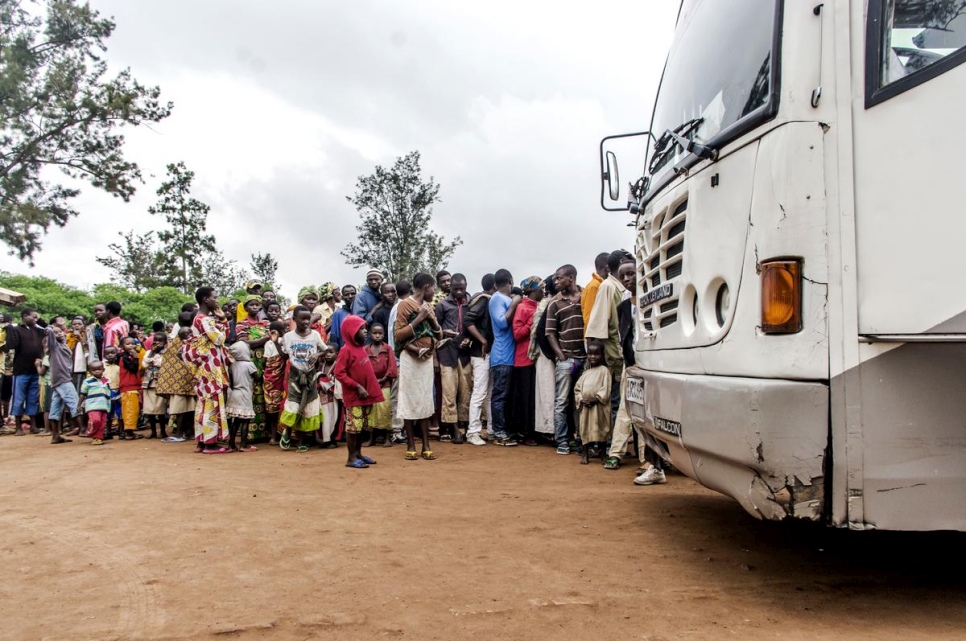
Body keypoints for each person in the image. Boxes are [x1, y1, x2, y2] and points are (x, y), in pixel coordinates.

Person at [393, 272, 441, 460]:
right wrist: (420, 318)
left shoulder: (428, 306)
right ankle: (411, 444)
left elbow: (438, 335)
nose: (434, 291)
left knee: (425, 399)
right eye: (433, 288)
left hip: (426, 358)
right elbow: (398, 336)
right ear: (426, 287)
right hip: (409, 359)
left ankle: (426, 445)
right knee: (409, 399)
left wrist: (431, 319)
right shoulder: (405, 305)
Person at [544, 264, 586, 455]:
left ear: (571, 278)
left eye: (559, 278)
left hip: (585, 358)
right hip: (566, 359)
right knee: (562, 401)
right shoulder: (554, 303)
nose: (556, 281)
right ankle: (562, 440)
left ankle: (581, 439)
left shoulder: (586, 296)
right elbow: (550, 333)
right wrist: (560, 355)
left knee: (582, 401)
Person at [586, 250, 631, 423]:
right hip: (613, 358)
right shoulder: (608, 287)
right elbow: (596, 329)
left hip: (622, 357)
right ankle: (612, 445)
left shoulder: (623, 289)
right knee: (615, 403)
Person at [185, 287, 231, 454]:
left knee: (204, 401)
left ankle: (203, 441)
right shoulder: (204, 320)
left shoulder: (198, 319)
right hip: (210, 365)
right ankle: (210, 443)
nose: (217, 301)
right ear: (205, 299)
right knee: (211, 400)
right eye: (214, 297)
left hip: (205, 365)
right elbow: (219, 339)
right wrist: (224, 321)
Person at [335, 315, 384, 468]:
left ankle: (359, 454)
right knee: (353, 428)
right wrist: (357, 386)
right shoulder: (346, 350)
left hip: (366, 396)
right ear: (351, 332)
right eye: (361, 329)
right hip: (354, 396)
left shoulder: (360, 348)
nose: (365, 332)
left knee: (362, 427)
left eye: (364, 328)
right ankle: (350, 458)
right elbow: (339, 373)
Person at [279, 306, 326, 451]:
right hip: (295, 375)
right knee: (293, 406)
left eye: (308, 318)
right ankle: (287, 430)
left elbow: (326, 349)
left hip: (311, 375)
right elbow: (284, 354)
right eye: (303, 318)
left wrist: (317, 355)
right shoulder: (288, 337)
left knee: (308, 407)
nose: (306, 321)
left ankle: (302, 441)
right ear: (294, 320)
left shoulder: (315, 335)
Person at [435, 273, 471, 444]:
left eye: (461, 289)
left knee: (465, 392)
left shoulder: (470, 303)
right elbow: (436, 330)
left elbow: (474, 325)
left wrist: (468, 339)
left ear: (466, 286)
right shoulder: (442, 305)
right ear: (450, 288)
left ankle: (465, 428)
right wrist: (444, 332)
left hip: (465, 354)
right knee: (449, 393)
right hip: (447, 353)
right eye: (455, 289)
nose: (458, 292)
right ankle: (454, 429)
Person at [488, 269, 521, 446]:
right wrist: (515, 303)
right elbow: (501, 323)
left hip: (510, 355)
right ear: (510, 280)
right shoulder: (496, 299)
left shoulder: (506, 300)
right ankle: (499, 433)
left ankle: (505, 430)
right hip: (501, 355)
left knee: (506, 396)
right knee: (500, 395)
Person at [0, 308, 46, 435]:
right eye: (33, 316)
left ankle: (33, 426)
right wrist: (9, 330)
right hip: (20, 370)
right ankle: (18, 427)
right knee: (18, 399)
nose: (36, 319)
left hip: (35, 370)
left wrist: (39, 319)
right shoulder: (16, 329)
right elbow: (11, 345)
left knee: (33, 398)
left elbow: (48, 328)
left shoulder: (38, 330)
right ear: (25, 316)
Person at [462, 274, 495, 446]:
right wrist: (482, 340)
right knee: (480, 393)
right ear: (495, 285)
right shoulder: (484, 301)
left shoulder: (480, 299)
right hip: (480, 353)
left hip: (484, 353)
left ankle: (490, 429)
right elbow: (468, 320)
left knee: (488, 393)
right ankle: (473, 431)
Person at [510, 276, 543, 445]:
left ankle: (535, 431)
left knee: (535, 398)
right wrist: (533, 321)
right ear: (532, 290)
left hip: (536, 358)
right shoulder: (523, 308)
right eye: (540, 288)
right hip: (523, 359)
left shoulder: (540, 306)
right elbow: (518, 334)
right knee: (525, 399)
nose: (543, 291)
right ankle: (525, 433)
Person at [157, 312, 196, 442]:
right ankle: (188, 432)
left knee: (182, 409)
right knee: (187, 409)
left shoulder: (175, 342)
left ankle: (180, 434)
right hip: (186, 380)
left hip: (178, 382)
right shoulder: (191, 340)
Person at [236, 295, 270, 441]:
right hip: (251, 360)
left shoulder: (266, 323)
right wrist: (263, 340)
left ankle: (265, 432)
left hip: (266, 360)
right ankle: (250, 433)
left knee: (265, 393)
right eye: (251, 305)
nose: (255, 307)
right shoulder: (241, 324)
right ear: (246, 307)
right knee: (252, 393)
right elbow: (244, 343)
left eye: (257, 305)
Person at [43, 320, 82, 444]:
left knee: (55, 407)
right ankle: (84, 428)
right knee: (75, 403)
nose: (59, 334)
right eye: (56, 333)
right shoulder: (54, 346)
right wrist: (50, 329)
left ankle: (55, 436)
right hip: (62, 379)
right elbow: (49, 335)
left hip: (59, 380)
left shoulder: (63, 344)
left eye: (60, 332)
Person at [574, 342, 612, 465]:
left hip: (599, 406)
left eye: (596, 354)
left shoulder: (604, 371)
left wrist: (596, 399)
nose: (593, 357)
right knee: (585, 430)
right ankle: (585, 454)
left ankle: (602, 454)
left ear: (602, 355)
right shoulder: (585, 373)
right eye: (590, 354)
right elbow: (577, 388)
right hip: (586, 407)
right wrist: (581, 399)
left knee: (602, 429)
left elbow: (606, 389)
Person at [530, 274, 557, 440]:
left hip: (549, 354)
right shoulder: (548, 304)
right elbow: (539, 332)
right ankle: (549, 430)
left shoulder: (547, 303)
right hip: (547, 354)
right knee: (548, 391)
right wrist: (552, 353)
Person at [364, 323, 397, 447]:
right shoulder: (365, 349)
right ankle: (371, 438)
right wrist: (371, 380)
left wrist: (384, 378)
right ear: (370, 334)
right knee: (370, 411)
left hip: (385, 383)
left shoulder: (387, 348)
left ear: (384, 334)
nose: (377, 336)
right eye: (375, 333)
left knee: (385, 409)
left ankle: (388, 437)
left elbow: (392, 366)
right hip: (370, 385)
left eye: (380, 333)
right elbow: (363, 367)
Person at [386, 280, 410, 444]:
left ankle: (400, 429)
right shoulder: (401, 307)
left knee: (402, 395)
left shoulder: (398, 306)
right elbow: (397, 335)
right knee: (397, 395)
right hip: (399, 359)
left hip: (400, 358)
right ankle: (395, 430)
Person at [226, 341, 259, 452]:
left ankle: (231, 444)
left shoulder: (232, 365)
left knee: (236, 421)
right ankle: (243, 445)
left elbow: (230, 382)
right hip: (245, 394)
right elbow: (258, 378)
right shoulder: (249, 365)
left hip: (234, 393)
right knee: (245, 421)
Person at [262, 320, 288, 444]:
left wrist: (276, 342)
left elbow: (285, 356)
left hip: (281, 378)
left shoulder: (283, 342)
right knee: (272, 408)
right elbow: (268, 361)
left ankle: (279, 435)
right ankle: (273, 436)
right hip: (271, 379)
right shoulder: (269, 343)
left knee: (280, 407)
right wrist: (274, 341)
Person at [141, 332, 169, 439]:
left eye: (160, 341)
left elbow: (160, 363)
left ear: (165, 343)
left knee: (160, 409)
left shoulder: (166, 353)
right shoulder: (149, 352)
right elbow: (144, 364)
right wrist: (153, 352)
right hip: (148, 384)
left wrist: (154, 357)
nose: (157, 343)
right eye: (155, 340)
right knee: (149, 409)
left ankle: (162, 431)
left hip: (160, 383)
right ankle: (153, 432)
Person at [79, 361, 111, 446]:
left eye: (99, 369)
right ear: (90, 371)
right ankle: (90, 432)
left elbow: (108, 393)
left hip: (104, 406)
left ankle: (98, 438)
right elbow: (83, 394)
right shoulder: (87, 381)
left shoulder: (106, 381)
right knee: (96, 420)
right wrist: (79, 405)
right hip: (92, 406)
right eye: (94, 370)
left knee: (102, 423)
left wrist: (109, 405)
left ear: (103, 370)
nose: (97, 371)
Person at [118, 336, 144, 440]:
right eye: (128, 344)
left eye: (132, 343)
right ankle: (129, 433)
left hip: (133, 386)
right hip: (129, 387)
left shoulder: (129, 356)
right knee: (130, 410)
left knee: (133, 410)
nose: (131, 346)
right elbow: (133, 369)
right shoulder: (125, 357)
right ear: (122, 346)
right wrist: (136, 357)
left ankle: (130, 431)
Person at [316, 344, 340, 448]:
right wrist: (322, 379)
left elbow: (338, 379)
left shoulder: (338, 365)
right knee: (323, 417)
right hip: (322, 396)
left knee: (333, 417)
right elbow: (317, 377)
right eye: (326, 352)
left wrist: (326, 381)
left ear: (337, 354)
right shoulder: (321, 365)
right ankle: (325, 439)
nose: (328, 355)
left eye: (331, 352)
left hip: (334, 396)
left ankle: (332, 439)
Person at [581, 252, 610, 327]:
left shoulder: (601, 284)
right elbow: (589, 316)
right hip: (594, 337)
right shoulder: (594, 286)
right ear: (607, 268)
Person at [328, 285, 356, 350]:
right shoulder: (338, 313)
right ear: (342, 297)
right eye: (347, 294)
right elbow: (334, 337)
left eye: (353, 294)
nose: (350, 296)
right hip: (344, 352)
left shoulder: (361, 312)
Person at [102, 345, 121, 438]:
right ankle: (108, 432)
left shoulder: (119, 367)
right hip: (106, 392)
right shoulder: (102, 367)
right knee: (108, 413)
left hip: (117, 391)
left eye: (112, 353)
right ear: (104, 355)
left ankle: (121, 431)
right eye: (107, 353)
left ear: (116, 354)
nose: (110, 355)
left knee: (119, 412)